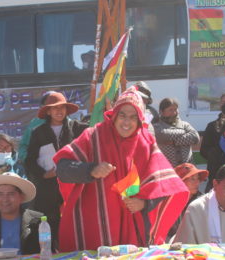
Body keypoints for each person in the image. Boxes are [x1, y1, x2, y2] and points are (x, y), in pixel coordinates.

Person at [54, 87, 189, 252]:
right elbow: (61, 168)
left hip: (132, 231)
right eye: (122, 115)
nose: (127, 122)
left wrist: (145, 203)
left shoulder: (146, 143)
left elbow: (167, 186)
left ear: (140, 120)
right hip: (94, 227)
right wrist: (90, 170)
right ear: (114, 115)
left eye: (133, 117)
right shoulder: (92, 136)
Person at [25, 91, 88, 247]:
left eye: (62, 107)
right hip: (48, 190)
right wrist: (44, 174)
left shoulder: (79, 128)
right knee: (50, 226)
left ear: (67, 110)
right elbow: (29, 161)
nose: (59, 111)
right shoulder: (38, 132)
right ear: (48, 111)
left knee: (76, 222)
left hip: (75, 187)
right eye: (54, 108)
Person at [0, 172, 43, 256]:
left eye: (11, 194)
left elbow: (47, 252)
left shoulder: (38, 222)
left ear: (21, 197)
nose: (5, 199)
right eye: (0, 194)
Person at [153, 98, 200, 167]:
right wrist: (183, 132)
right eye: (170, 110)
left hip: (187, 169)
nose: (174, 112)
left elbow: (195, 138)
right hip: (168, 169)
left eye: (175, 109)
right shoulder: (156, 126)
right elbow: (162, 135)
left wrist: (174, 142)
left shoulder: (185, 124)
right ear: (161, 111)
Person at [167, 163, 208, 240]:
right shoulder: (168, 203)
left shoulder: (203, 201)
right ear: (180, 181)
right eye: (192, 179)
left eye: (198, 179)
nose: (197, 183)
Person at [18, 91, 57, 164]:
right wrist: (31, 161)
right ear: (43, 107)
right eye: (49, 105)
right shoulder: (35, 124)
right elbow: (23, 146)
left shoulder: (71, 125)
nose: (55, 109)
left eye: (57, 105)